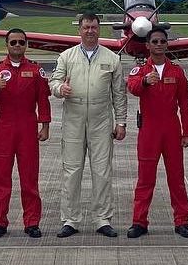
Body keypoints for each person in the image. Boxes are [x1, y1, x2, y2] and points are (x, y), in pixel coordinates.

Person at [49, 12, 128, 238]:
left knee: (102, 171)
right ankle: (70, 219)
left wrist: (121, 121)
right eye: (86, 27)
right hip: (74, 118)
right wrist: (59, 89)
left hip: (101, 119)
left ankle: (103, 218)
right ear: (79, 30)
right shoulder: (66, 56)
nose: (90, 31)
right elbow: (53, 81)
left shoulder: (112, 58)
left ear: (99, 29)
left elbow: (119, 94)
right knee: (71, 171)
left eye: (94, 27)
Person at [0, 28, 51, 238]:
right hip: (4, 127)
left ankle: (31, 222)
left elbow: (43, 100)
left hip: (28, 126)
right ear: (7, 45)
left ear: (26, 45)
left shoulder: (36, 70)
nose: (17, 46)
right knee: (1, 177)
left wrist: (44, 125)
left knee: (29, 177)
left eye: (21, 42)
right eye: (13, 43)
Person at [125, 27, 188, 238]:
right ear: (147, 45)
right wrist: (146, 82)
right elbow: (133, 87)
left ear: (167, 44)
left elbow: (184, 102)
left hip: (172, 129)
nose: (158, 45)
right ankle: (139, 221)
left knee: (176, 178)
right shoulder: (141, 71)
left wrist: (187, 132)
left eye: (162, 41)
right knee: (145, 179)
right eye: (154, 41)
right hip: (149, 130)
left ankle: (182, 221)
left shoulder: (177, 71)